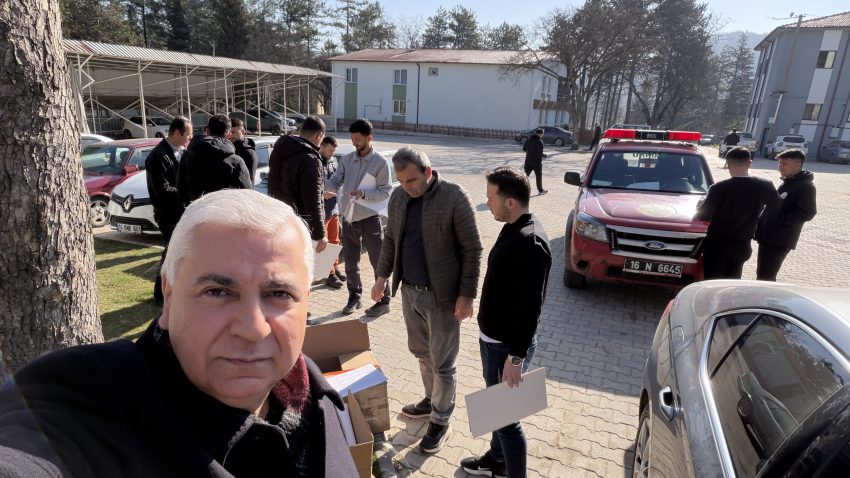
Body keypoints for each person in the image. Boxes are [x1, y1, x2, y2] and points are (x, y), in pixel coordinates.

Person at [0, 190, 358, 477]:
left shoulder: (314, 396)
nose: (252, 329)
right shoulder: (84, 402)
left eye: (279, 294)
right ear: (168, 297)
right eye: (217, 292)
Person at [372, 146, 482, 454]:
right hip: (409, 291)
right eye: (401, 181)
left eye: (411, 180)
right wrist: (381, 277)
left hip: (443, 297)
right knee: (422, 354)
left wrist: (467, 295)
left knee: (443, 364)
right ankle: (431, 400)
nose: (406, 187)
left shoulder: (454, 197)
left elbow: (472, 249)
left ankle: (440, 421)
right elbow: (391, 239)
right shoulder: (398, 197)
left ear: (428, 172)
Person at [461, 166, 552, 478]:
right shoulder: (514, 226)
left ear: (510, 202)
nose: (487, 203)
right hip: (494, 342)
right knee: (497, 409)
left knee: (507, 420)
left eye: (491, 198)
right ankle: (496, 460)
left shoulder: (531, 242)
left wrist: (516, 357)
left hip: (506, 349)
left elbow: (531, 308)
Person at [325, 118, 393, 316]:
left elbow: (385, 192)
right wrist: (323, 186)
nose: (354, 143)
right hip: (348, 218)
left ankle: (384, 301)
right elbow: (336, 180)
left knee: (377, 261)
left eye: (358, 139)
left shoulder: (380, 162)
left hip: (370, 218)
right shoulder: (347, 160)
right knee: (351, 262)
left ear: (369, 138)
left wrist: (363, 194)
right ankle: (354, 297)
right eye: (352, 139)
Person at [694, 146, 779, 279]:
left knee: (713, 282)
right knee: (733, 281)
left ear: (728, 164)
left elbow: (702, 215)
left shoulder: (718, 188)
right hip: (742, 245)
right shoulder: (765, 185)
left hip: (717, 245)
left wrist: (700, 204)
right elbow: (776, 205)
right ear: (749, 163)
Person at [145, 115, 192, 305]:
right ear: (177, 133)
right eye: (188, 134)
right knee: (170, 253)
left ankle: (173, 290)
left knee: (177, 253)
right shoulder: (159, 155)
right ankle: (160, 293)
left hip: (179, 211)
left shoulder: (177, 151)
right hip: (167, 213)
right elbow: (162, 189)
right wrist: (185, 193)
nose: (189, 138)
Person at [267, 116, 328, 254]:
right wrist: (319, 234)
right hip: (298, 227)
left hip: (278, 220)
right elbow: (313, 201)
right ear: (319, 136)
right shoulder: (310, 159)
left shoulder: (279, 150)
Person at [755, 148, 817, 281]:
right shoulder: (789, 182)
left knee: (766, 276)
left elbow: (808, 212)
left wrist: (780, 219)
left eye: (784, 164)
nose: (780, 167)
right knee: (762, 273)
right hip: (768, 236)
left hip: (779, 239)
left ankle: (766, 295)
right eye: (780, 163)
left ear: (797, 164)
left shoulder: (806, 186)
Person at [176, 114, 253, 205]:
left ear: (207, 130)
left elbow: (181, 190)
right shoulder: (236, 161)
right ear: (228, 134)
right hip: (225, 211)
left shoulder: (187, 156)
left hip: (195, 210)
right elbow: (246, 196)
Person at [319, 136, 346, 289]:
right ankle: (328, 274)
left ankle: (334, 268)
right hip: (322, 210)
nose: (332, 154)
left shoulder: (334, 163)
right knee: (325, 243)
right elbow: (310, 186)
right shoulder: (315, 162)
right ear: (321, 147)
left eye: (334, 151)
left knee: (335, 241)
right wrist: (322, 194)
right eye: (330, 151)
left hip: (334, 208)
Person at [230, 118, 258, 183]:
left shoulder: (249, 153)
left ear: (243, 132)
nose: (230, 135)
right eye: (229, 132)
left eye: (233, 132)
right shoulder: (227, 148)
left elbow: (249, 182)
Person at [522, 128, 547, 195]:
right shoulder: (540, 142)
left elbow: (524, 149)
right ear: (540, 134)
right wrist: (544, 155)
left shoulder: (528, 140)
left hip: (528, 161)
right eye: (543, 134)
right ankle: (540, 190)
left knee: (525, 176)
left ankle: (519, 189)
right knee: (538, 176)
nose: (543, 135)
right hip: (536, 163)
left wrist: (530, 150)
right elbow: (539, 154)